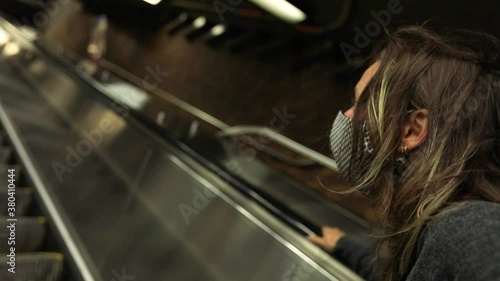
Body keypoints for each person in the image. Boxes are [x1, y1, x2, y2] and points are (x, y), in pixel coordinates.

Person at [308, 26, 500, 281]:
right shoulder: (434, 223)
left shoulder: (471, 226)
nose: (346, 116)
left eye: (360, 104)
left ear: (412, 130)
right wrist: (345, 247)